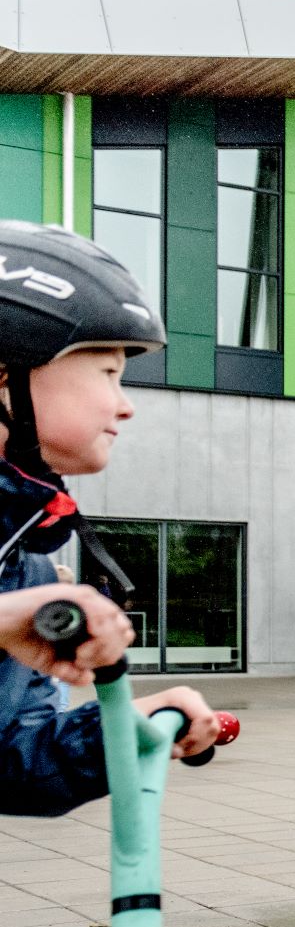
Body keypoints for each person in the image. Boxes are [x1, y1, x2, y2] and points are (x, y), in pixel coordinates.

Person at [0, 222, 220, 816]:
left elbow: (13, 763)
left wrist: (123, 722)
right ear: (5, 375)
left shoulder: (23, 561)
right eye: (107, 374)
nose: (124, 405)